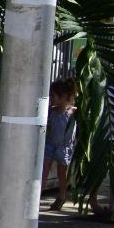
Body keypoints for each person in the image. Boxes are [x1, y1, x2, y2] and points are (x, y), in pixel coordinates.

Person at [44, 77, 78, 212]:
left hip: (63, 147)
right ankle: (37, 194)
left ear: (63, 97)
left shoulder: (72, 112)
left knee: (61, 173)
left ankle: (62, 196)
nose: (51, 98)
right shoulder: (52, 111)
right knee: (44, 169)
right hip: (50, 144)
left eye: (53, 96)